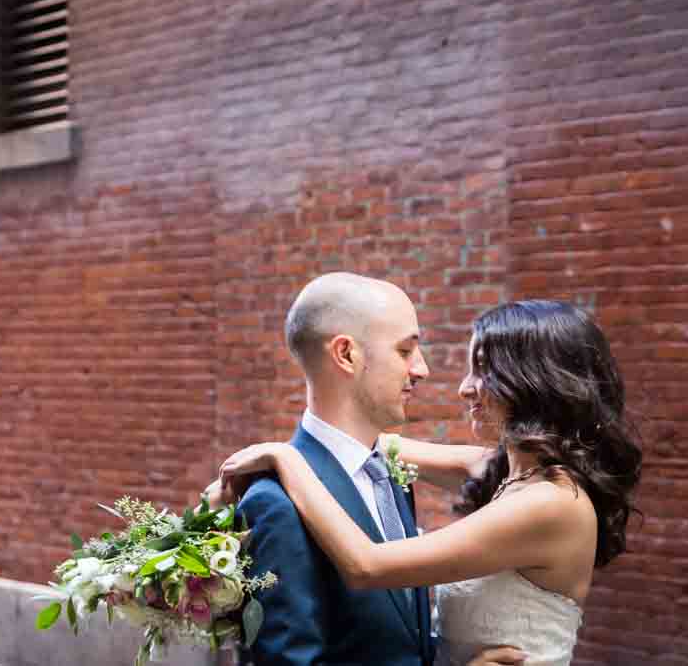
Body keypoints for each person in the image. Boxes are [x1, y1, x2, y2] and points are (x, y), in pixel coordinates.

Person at [219, 299, 642, 666]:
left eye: (483, 371)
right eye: (405, 351)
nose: (463, 389)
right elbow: (368, 445)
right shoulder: (500, 469)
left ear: (535, 381)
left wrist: (284, 458)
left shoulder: (551, 503)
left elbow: (366, 565)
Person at [217, 272, 519, 666]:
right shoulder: (274, 503)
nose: (422, 369)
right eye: (405, 351)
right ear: (346, 354)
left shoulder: (390, 474)